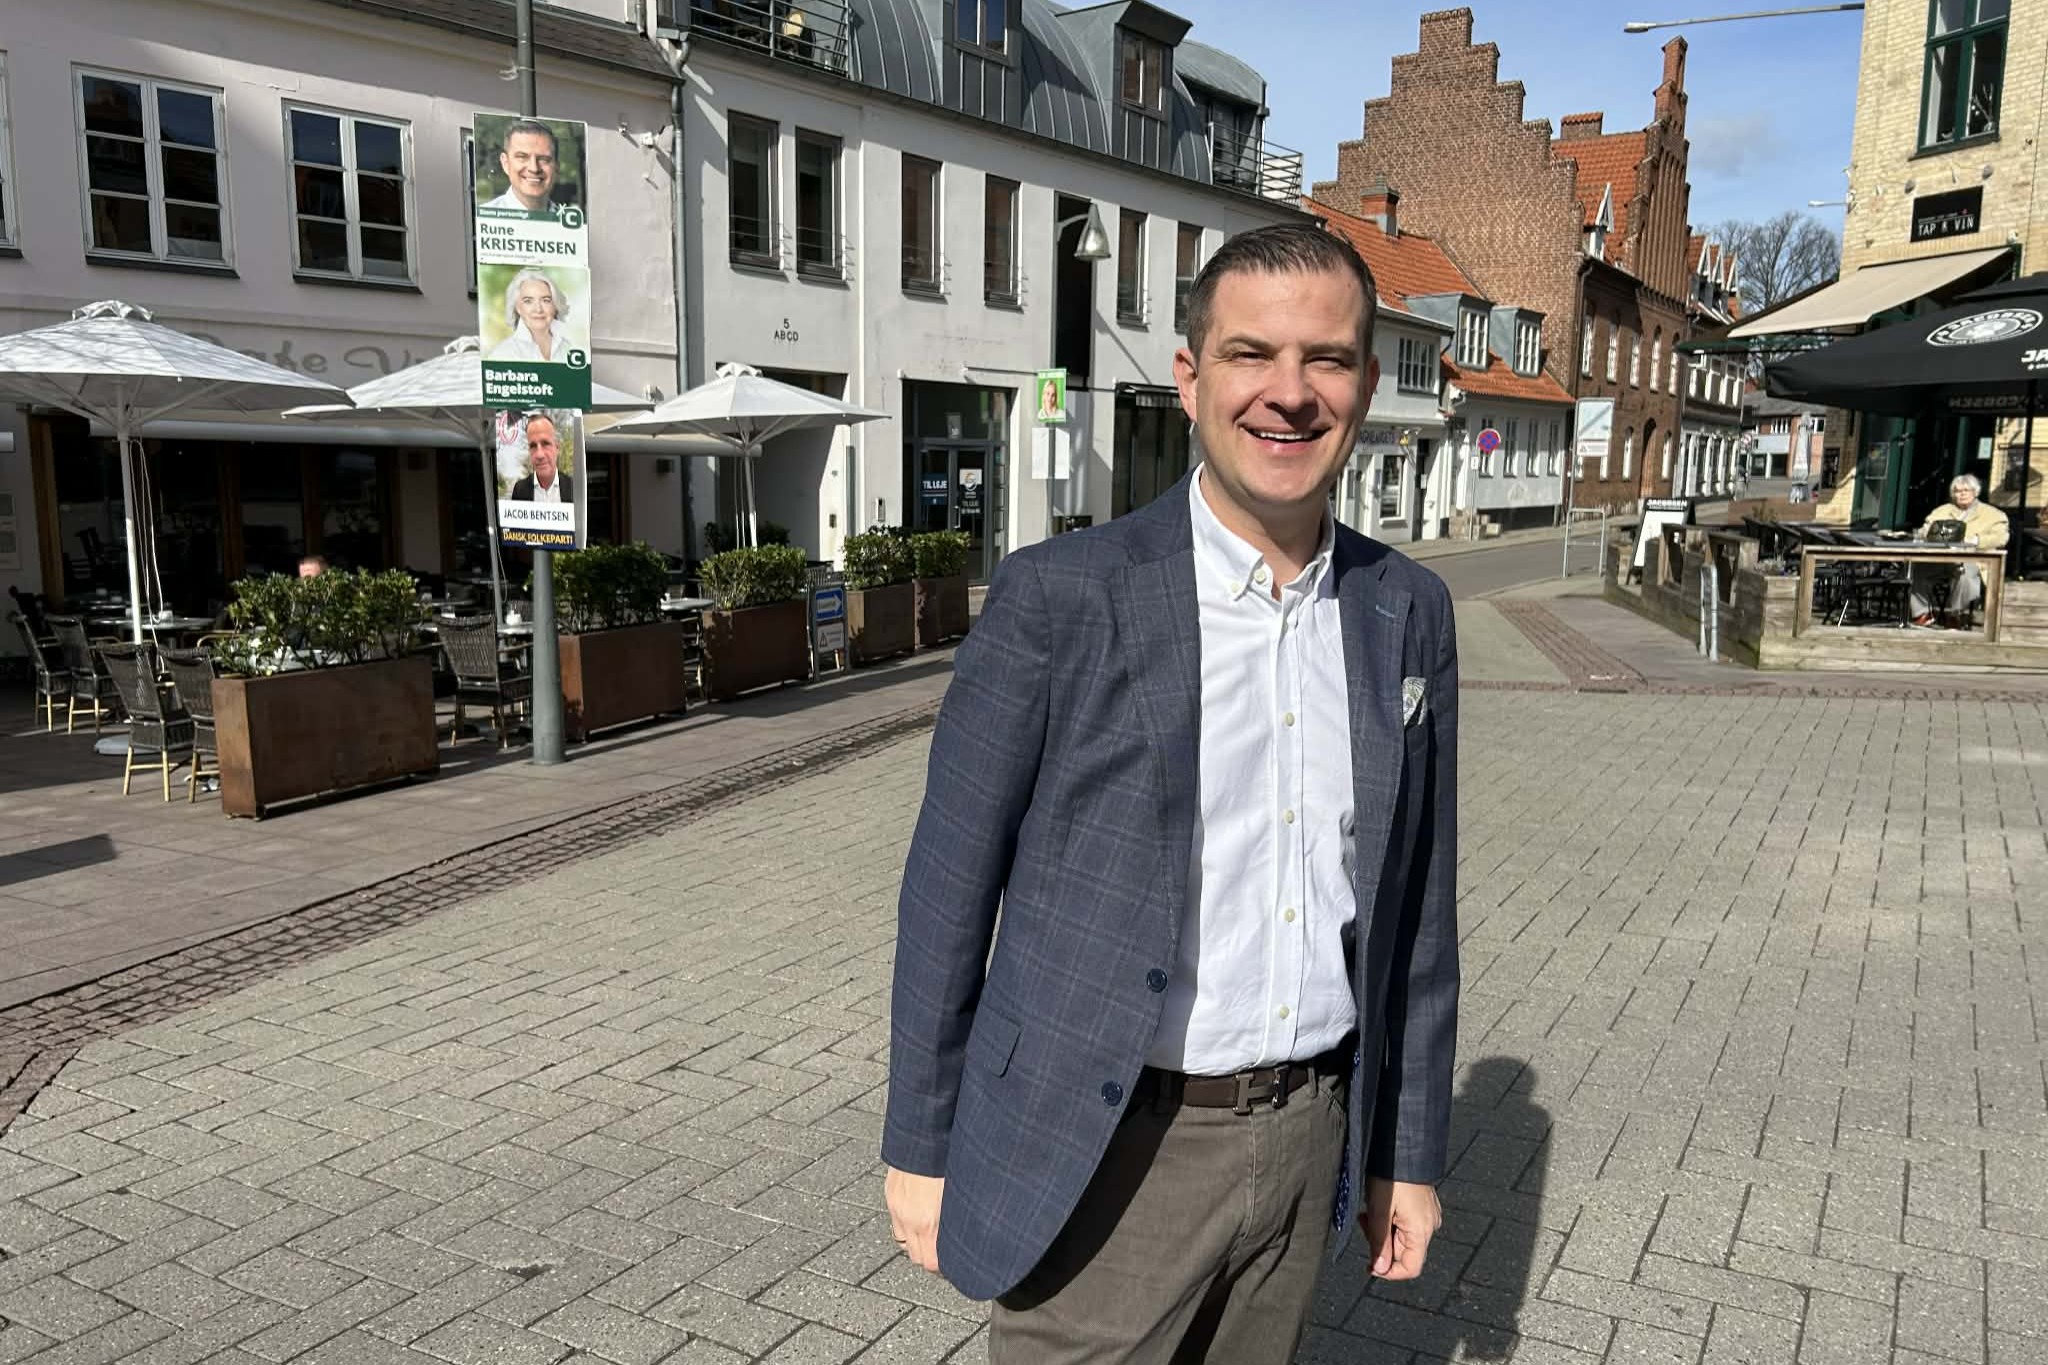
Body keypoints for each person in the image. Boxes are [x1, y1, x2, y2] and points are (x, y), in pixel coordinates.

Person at [883, 222, 1458, 1364]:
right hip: (1107, 1149)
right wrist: (921, 1141)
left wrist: (1406, 1150)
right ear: (1191, 379)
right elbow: (948, 888)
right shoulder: (1060, 599)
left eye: (1326, 359)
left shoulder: (1405, 608)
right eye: (1251, 355)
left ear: (1365, 383)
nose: (1289, 393)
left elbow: (1417, 919)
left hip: (1308, 1136)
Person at [1909, 472, 2008, 627]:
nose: (1961, 494)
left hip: (1972, 559)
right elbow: (1925, 529)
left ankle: (1956, 614)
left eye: (1965, 491)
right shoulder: (1942, 511)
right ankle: (1922, 613)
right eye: (1957, 491)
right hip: (1941, 558)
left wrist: (1976, 541)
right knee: (1916, 570)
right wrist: (1926, 533)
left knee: (1965, 575)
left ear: (1975, 492)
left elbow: (2001, 538)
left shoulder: (1992, 514)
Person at [490, 269, 573, 363]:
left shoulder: (569, 348)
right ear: (517, 307)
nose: (538, 309)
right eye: (528, 301)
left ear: (555, 305)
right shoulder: (503, 353)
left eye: (546, 300)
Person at [483, 121, 559, 214]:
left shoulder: (569, 220)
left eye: (543, 159)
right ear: (505, 163)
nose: (534, 168)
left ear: (556, 166)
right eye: (522, 157)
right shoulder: (482, 217)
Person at [508, 414, 573, 503]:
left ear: (557, 448)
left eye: (545, 443)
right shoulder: (520, 490)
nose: (539, 455)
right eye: (533, 446)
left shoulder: (573, 487)